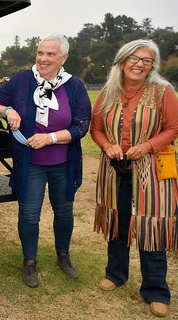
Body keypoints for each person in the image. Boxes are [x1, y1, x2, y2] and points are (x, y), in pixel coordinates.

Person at [0, 34, 91, 288]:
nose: (43, 58)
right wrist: (8, 111)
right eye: (40, 53)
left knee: (63, 211)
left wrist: (50, 138)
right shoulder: (21, 80)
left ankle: (63, 255)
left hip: (64, 162)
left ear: (63, 58)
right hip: (30, 163)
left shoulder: (74, 86)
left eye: (50, 54)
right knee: (29, 214)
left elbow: (81, 127)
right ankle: (29, 262)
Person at [90, 39, 178, 318]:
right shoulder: (108, 92)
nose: (139, 64)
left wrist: (147, 146)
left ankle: (155, 290)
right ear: (122, 60)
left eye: (147, 60)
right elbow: (97, 128)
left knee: (151, 227)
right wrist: (107, 146)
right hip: (115, 169)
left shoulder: (162, 92)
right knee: (118, 222)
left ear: (153, 65)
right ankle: (115, 274)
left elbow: (173, 128)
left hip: (151, 171)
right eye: (134, 58)